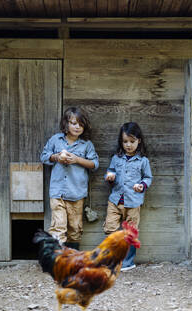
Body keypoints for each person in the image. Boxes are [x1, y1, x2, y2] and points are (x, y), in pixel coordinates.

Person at [40, 106, 99, 250]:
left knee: (75, 228)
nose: (77, 127)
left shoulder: (86, 145)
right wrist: (56, 157)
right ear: (66, 124)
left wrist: (77, 160)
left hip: (76, 193)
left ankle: (72, 257)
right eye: (74, 123)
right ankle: (57, 258)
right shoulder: (56, 140)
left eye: (81, 124)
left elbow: (94, 164)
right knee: (58, 225)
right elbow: (44, 156)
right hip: (57, 191)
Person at [104, 122, 152, 271]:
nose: (128, 145)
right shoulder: (116, 158)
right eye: (125, 142)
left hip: (133, 201)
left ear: (139, 141)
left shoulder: (143, 161)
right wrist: (109, 176)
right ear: (121, 142)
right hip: (115, 199)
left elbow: (148, 178)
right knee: (110, 227)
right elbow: (110, 171)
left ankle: (128, 261)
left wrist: (142, 185)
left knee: (131, 231)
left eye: (132, 141)